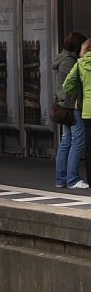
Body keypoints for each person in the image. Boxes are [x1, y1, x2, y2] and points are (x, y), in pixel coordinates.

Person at [53, 32, 87, 189]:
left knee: (66, 141)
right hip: (71, 106)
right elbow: (72, 85)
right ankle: (72, 178)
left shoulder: (62, 58)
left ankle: (61, 178)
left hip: (64, 105)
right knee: (77, 141)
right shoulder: (69, 62)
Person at [63, 38, 91, 188]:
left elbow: (67, 85)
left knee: (88, 146)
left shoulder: (80, 64)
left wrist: (79, 93)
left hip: (87, 110)